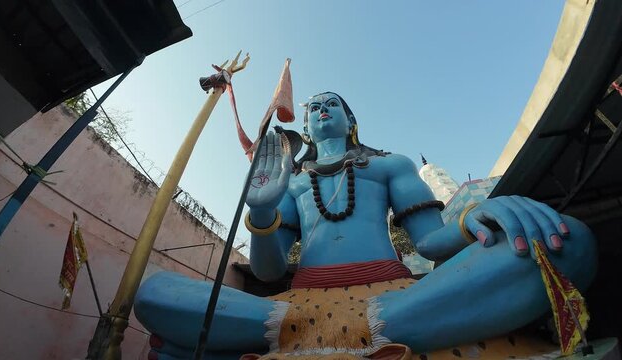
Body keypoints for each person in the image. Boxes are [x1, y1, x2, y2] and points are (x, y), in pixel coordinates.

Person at [135, 92, 597, 360]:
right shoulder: (292, 183)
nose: (318, 110)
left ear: (350, 120)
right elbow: (272, 272)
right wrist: (260, 213)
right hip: (294, 304)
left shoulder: (389, 165)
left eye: (329, 105)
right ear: (307, 131)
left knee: (563, 240)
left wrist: (469, 220)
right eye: (312, 107)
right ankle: (375, 334)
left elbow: (432, 244)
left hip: (394, 295)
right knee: (153, 293)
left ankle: (362, 329)